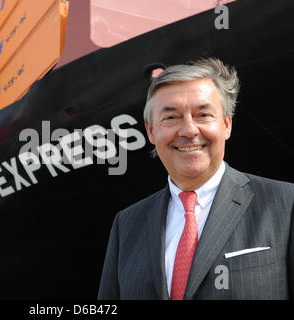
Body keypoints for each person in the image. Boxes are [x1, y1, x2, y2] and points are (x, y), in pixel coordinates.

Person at [98, 58, 294, 299]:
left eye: (203, 114)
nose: (189, 130)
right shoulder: (126, 225)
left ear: (226, 125)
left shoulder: (287, 203)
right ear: (151, 131)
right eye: (171, 118)